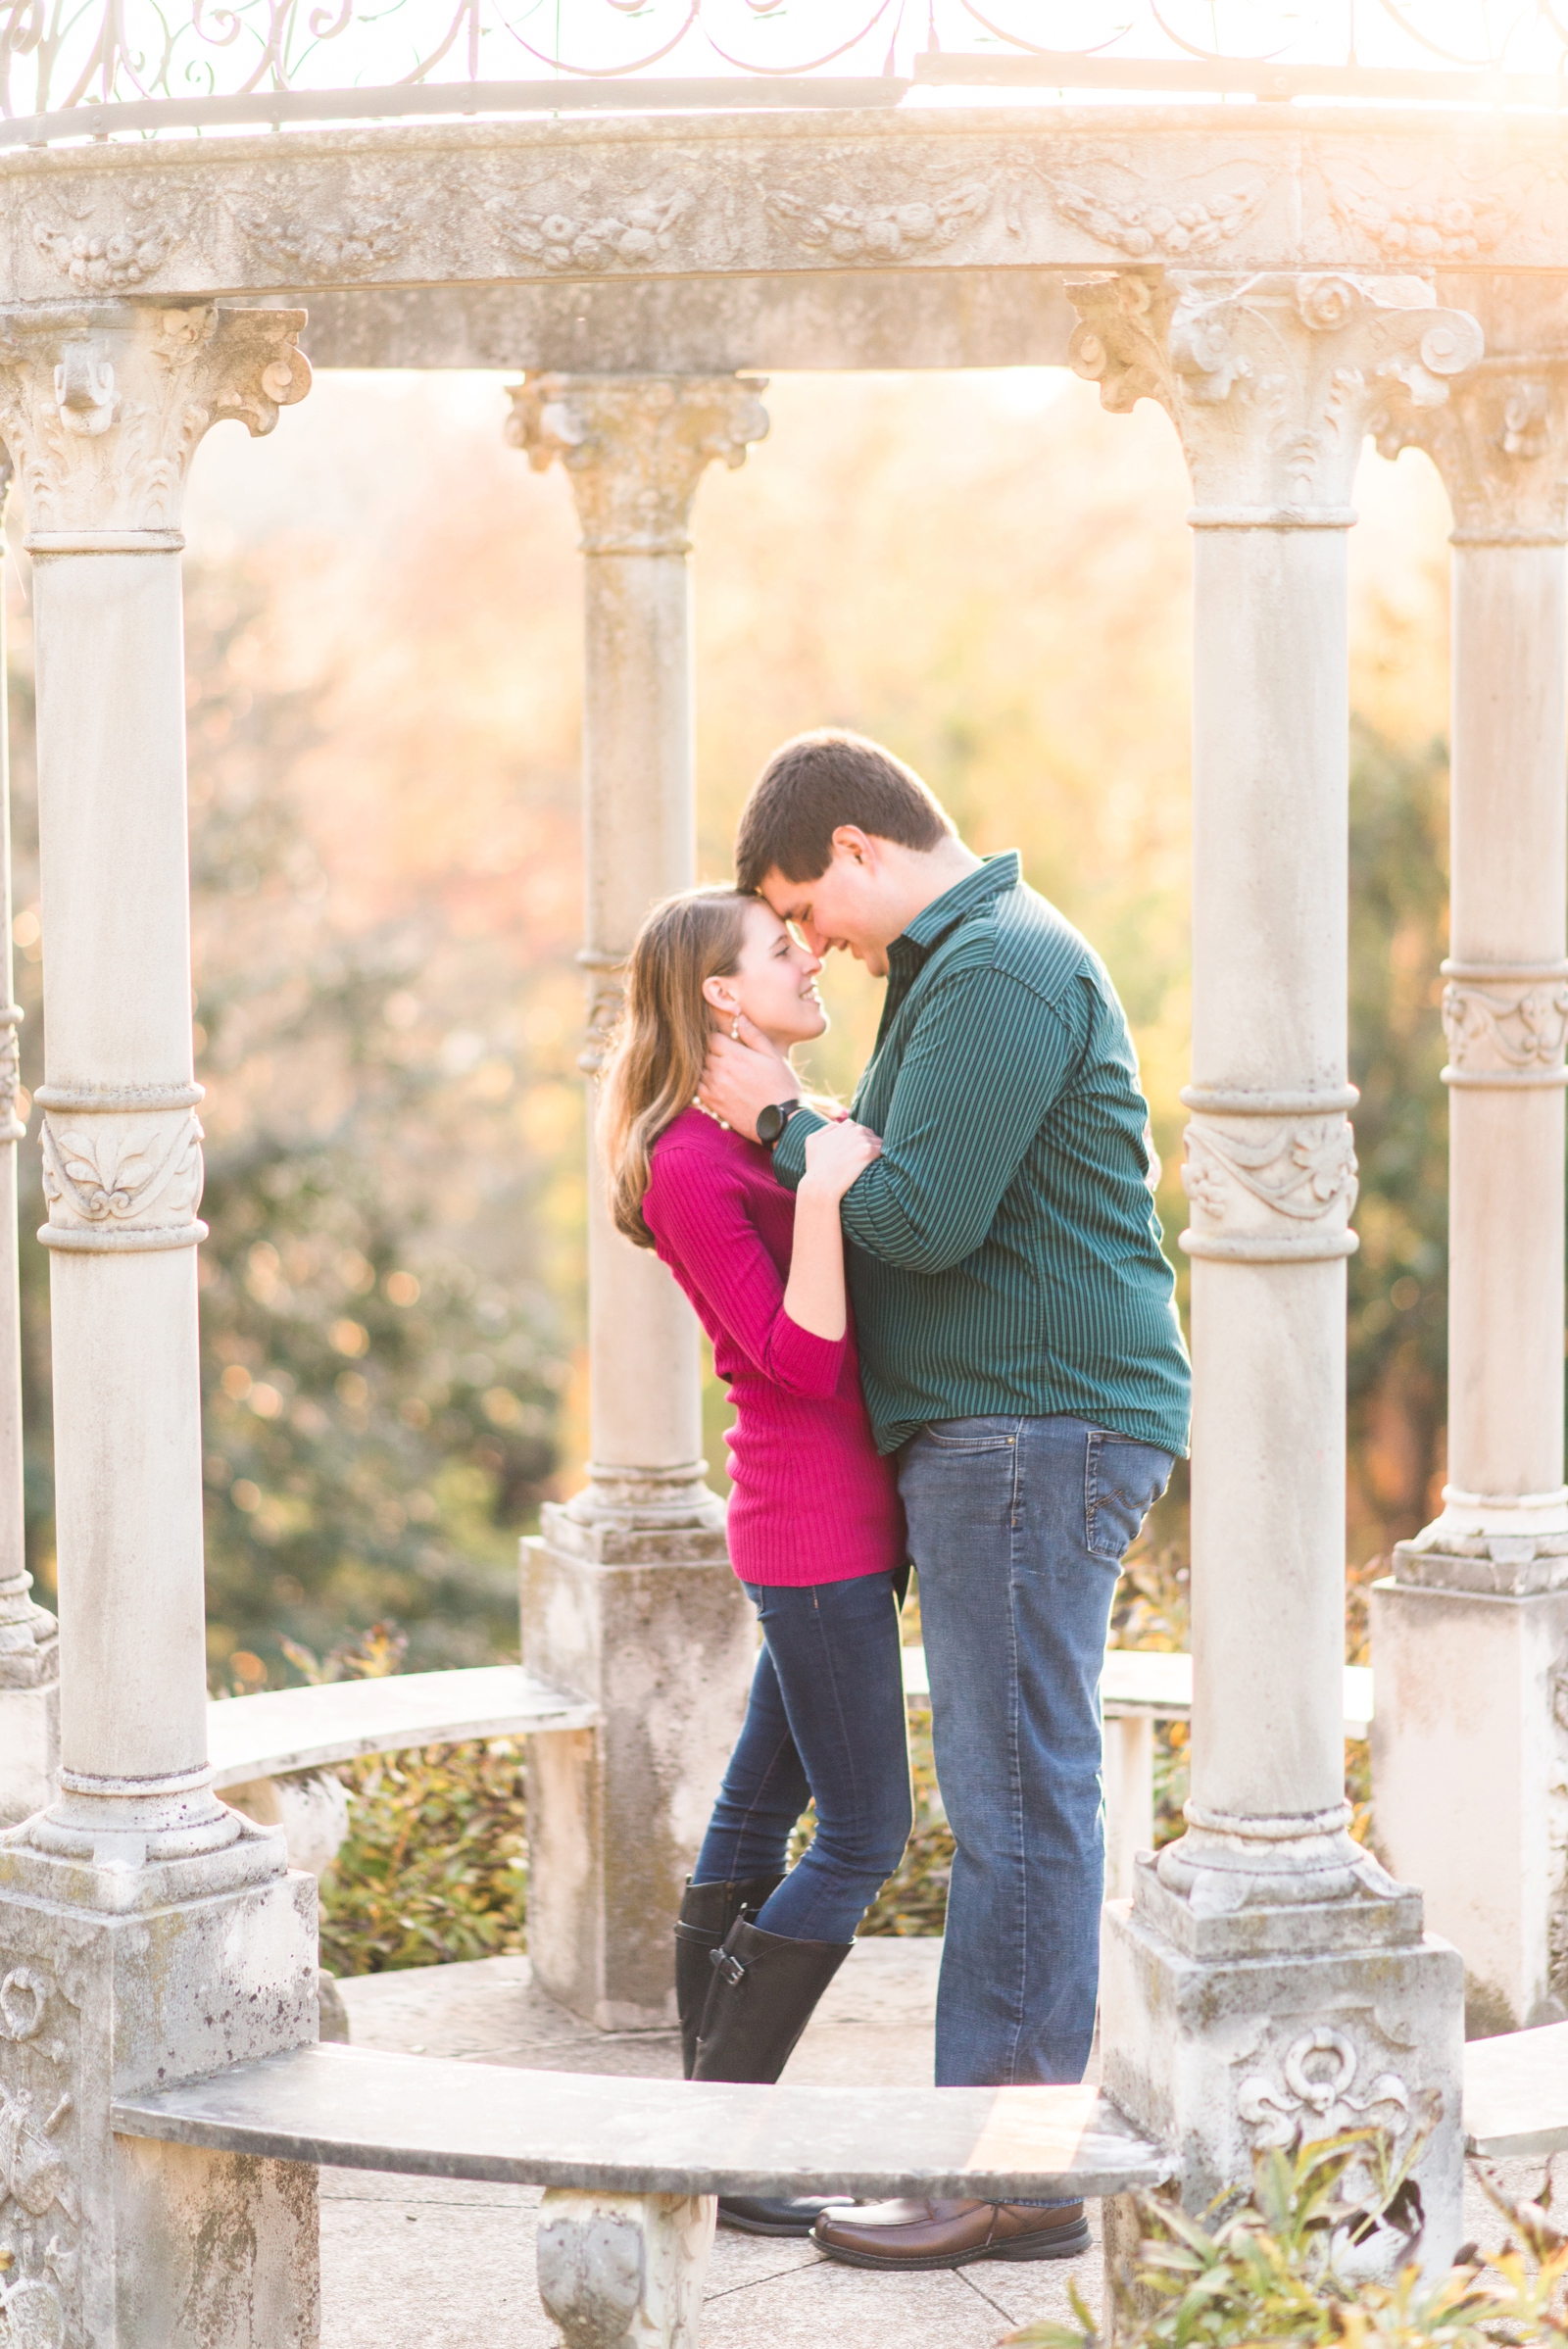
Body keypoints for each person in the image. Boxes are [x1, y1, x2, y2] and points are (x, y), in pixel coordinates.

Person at [700, 730, 1192, 2275]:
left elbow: (913, 1212)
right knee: (1011, 1792)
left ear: (855, 849)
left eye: (804, 906)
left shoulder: (999, 968)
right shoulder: (956, 971)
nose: (813, 943)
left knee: (1018, 1799)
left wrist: (782, 1116)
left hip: (1033, 1430)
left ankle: (1014, 2174)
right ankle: (999, 2159)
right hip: (1000, 1435)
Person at [597, 882, 913, 2240]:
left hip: (846, 1520)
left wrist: (810, 1137)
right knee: (864, 1831)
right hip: (812, 1525)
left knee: (756, 1812)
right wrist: (829, 1194)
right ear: (721, 994)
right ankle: (715, 2138)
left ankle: (709, 2138)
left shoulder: (768, 1132)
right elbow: (796, 1362)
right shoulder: (684, 1164)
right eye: (781, 950)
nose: (811, 956)